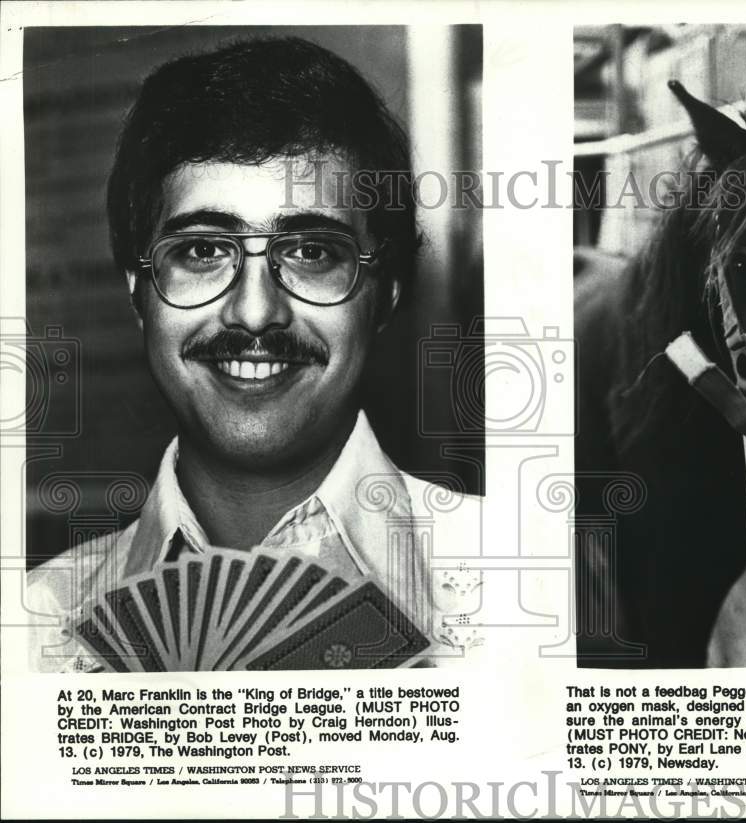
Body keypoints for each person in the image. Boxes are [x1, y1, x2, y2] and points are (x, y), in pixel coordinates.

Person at [26, 37, 481, 672]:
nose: (255, 312)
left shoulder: (531, 580)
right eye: (204, 251)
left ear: (385, 297)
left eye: (312, 252)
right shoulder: (30, 630)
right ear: (138, 291)